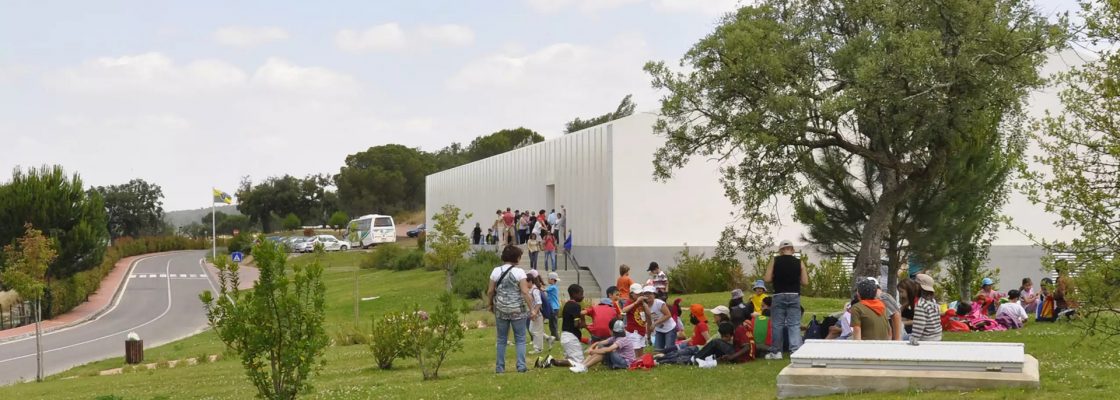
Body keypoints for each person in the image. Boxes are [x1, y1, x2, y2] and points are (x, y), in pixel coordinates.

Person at [486, 245, 537, 373]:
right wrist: (532, 309)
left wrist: (490, 304)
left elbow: (490, 291)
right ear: (516, 257)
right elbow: (525, 292)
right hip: (517, 310)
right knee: (520, 338)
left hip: (501, 309)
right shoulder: (519, 272)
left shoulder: (495, 271)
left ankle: (500, 368)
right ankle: (521, 366)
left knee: (501, 339)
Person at [763, 240, 808, 359]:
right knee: (794, 324)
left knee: (777, 324)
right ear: (792, 250)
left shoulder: (775, 260)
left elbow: (767, 279)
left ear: (780, 251)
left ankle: (776, 352)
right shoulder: (799, 262)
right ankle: (795, 351)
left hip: (779, 295)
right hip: (794, 295)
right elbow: (805, 282)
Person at [568, 318, 635, 373]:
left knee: (606, 351)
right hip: (619, 359)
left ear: (612, 330)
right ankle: (582, 364)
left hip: (625, 363)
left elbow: (609, 349)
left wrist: (594, 351)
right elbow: (599, 343)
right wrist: (591, 347)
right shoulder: (615, 337)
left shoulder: (623, 339)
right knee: (601, 347)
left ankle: (584, 367)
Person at [547, 284, 588, 368]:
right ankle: (552, 361)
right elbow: (577, 324)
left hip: (566, 336)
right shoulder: (576, 306)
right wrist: (583, 318)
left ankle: (553, 362)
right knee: (580, 363)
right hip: (571, 337)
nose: (583, 296)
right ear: (574, 294)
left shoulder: (567, 304)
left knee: (572, 360)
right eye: (581, 294)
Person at [909, 273, 943, 341]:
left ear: (919, 287)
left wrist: (913, 339)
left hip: (926, 339)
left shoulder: (920, 305)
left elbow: (919, 326)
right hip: (937, 336)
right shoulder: (933, 301)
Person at [622, 283, 650, 359]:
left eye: (641, 294)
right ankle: (635, 363)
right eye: (637, 294)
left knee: (641, 349)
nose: (639, 296)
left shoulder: (642, 302)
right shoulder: (629, 301)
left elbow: (648, 313)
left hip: (642, 330)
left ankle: (640, 363)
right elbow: (624, 310)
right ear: (631, 294)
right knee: (635, 352)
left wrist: (644, 303)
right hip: (633, 332)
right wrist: (636, 302)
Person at [646, 285, 678, 352]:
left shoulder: (659, 303)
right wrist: (648, 337)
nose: (647, 295)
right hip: (659, 330)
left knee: (669, 350)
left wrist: (655, 323)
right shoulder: (645, 307)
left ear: (654, 295)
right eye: (645, 294)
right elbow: (649, 323)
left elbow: (668, 315)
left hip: (670, 328)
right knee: (658, 351)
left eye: (650, 293)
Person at [527, 270, 548, 354]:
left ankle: (538, 348)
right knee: (532, 330)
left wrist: (534, 312)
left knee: (536, 331)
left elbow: (539, 302)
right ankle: (547, 339)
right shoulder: (531, 289)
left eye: (526, 282)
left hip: (537, 314)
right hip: (534, 313)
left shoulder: (535, 290)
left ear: (530, 281)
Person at [546, 272, 562, 339]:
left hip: (554, 308)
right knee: (552, 323)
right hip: (554, 307)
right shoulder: (552, 287)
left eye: (548, 279)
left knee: (553, 323)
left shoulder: (553, 287)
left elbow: (544, 290)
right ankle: (554, 336)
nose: (548, 280)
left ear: (552, 279)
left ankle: (556, 337)